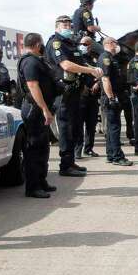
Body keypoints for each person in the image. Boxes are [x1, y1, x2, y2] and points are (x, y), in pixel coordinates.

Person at [46, 15, 101, 176]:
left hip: (75, 93)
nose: (68, 26)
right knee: (65, 129)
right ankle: (65, 166)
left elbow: (81, 63)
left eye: (70, 24)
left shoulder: (70, 44)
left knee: (74, 128)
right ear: (57, 26)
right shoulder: (56, 43)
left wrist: (93, 69)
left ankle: (71, 162)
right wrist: (91, 70)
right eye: (64, 24)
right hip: (63, 93)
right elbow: (66, 65)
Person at [17, 33, 61, 198]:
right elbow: (33, 86)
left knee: (43, 147)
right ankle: (33, 187)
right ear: (37, 44)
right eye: (41, 44)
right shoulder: (30, 62)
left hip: (40, 108)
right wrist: (44, 109)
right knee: (34, 149)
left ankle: (42, 181)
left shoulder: (37, 60)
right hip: (34, 109)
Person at [99, 37, 132, 166]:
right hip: (111, 98)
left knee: (112, 127)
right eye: (116, 43)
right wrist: (112, 98)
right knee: (114, 128)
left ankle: (111, 154)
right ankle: (117, 156)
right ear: (110, 44)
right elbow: (105, 79)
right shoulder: (106, 58)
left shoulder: (111, 58)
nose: (117, 46)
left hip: (114, 96)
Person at [78, 36, 101, 158]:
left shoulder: (94, 58)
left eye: (86, 44)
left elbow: (100, 73)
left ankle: (89, 148)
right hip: (81, 96)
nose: (83, 46)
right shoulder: (76, 57)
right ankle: (77, 150)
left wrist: (97, 83)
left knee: (91, 124)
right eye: (82, 43)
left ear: (90, 45)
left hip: (93, 96)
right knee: (78, 124)